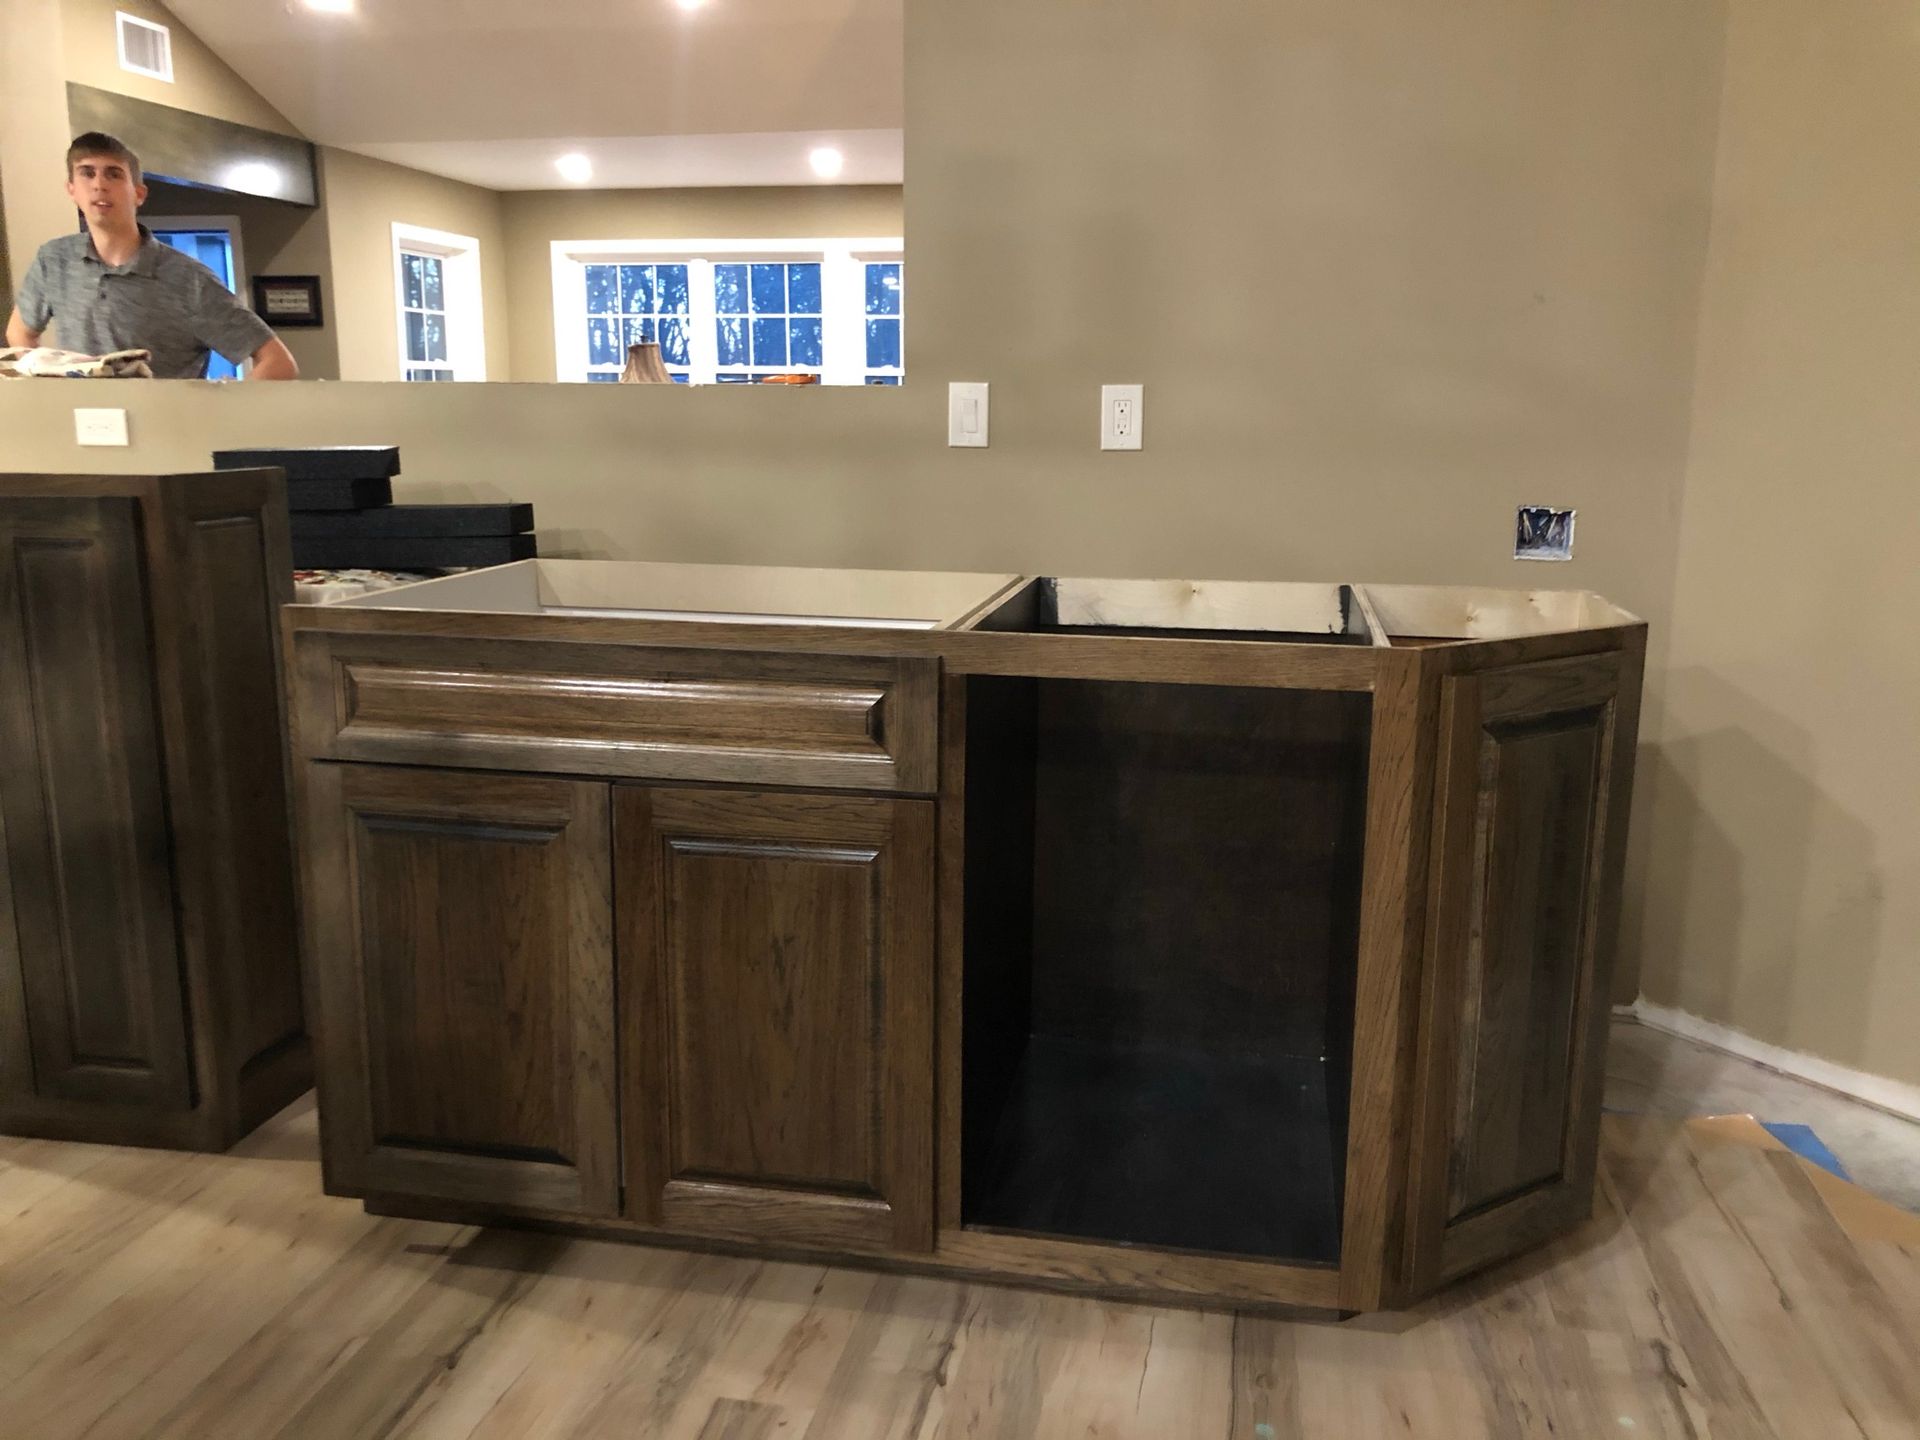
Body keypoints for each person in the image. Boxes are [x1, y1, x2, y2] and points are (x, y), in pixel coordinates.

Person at [5, 132, 299, 381]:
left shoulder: (188, 278)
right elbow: (19, 332)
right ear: (72, 190)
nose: (98, 184)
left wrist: (217, 417)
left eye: (113, 174)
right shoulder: (54, 260)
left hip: (167, 435)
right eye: (87, 173)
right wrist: (43, 387)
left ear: (139, 194)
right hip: (85, 433)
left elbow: (279, 362)